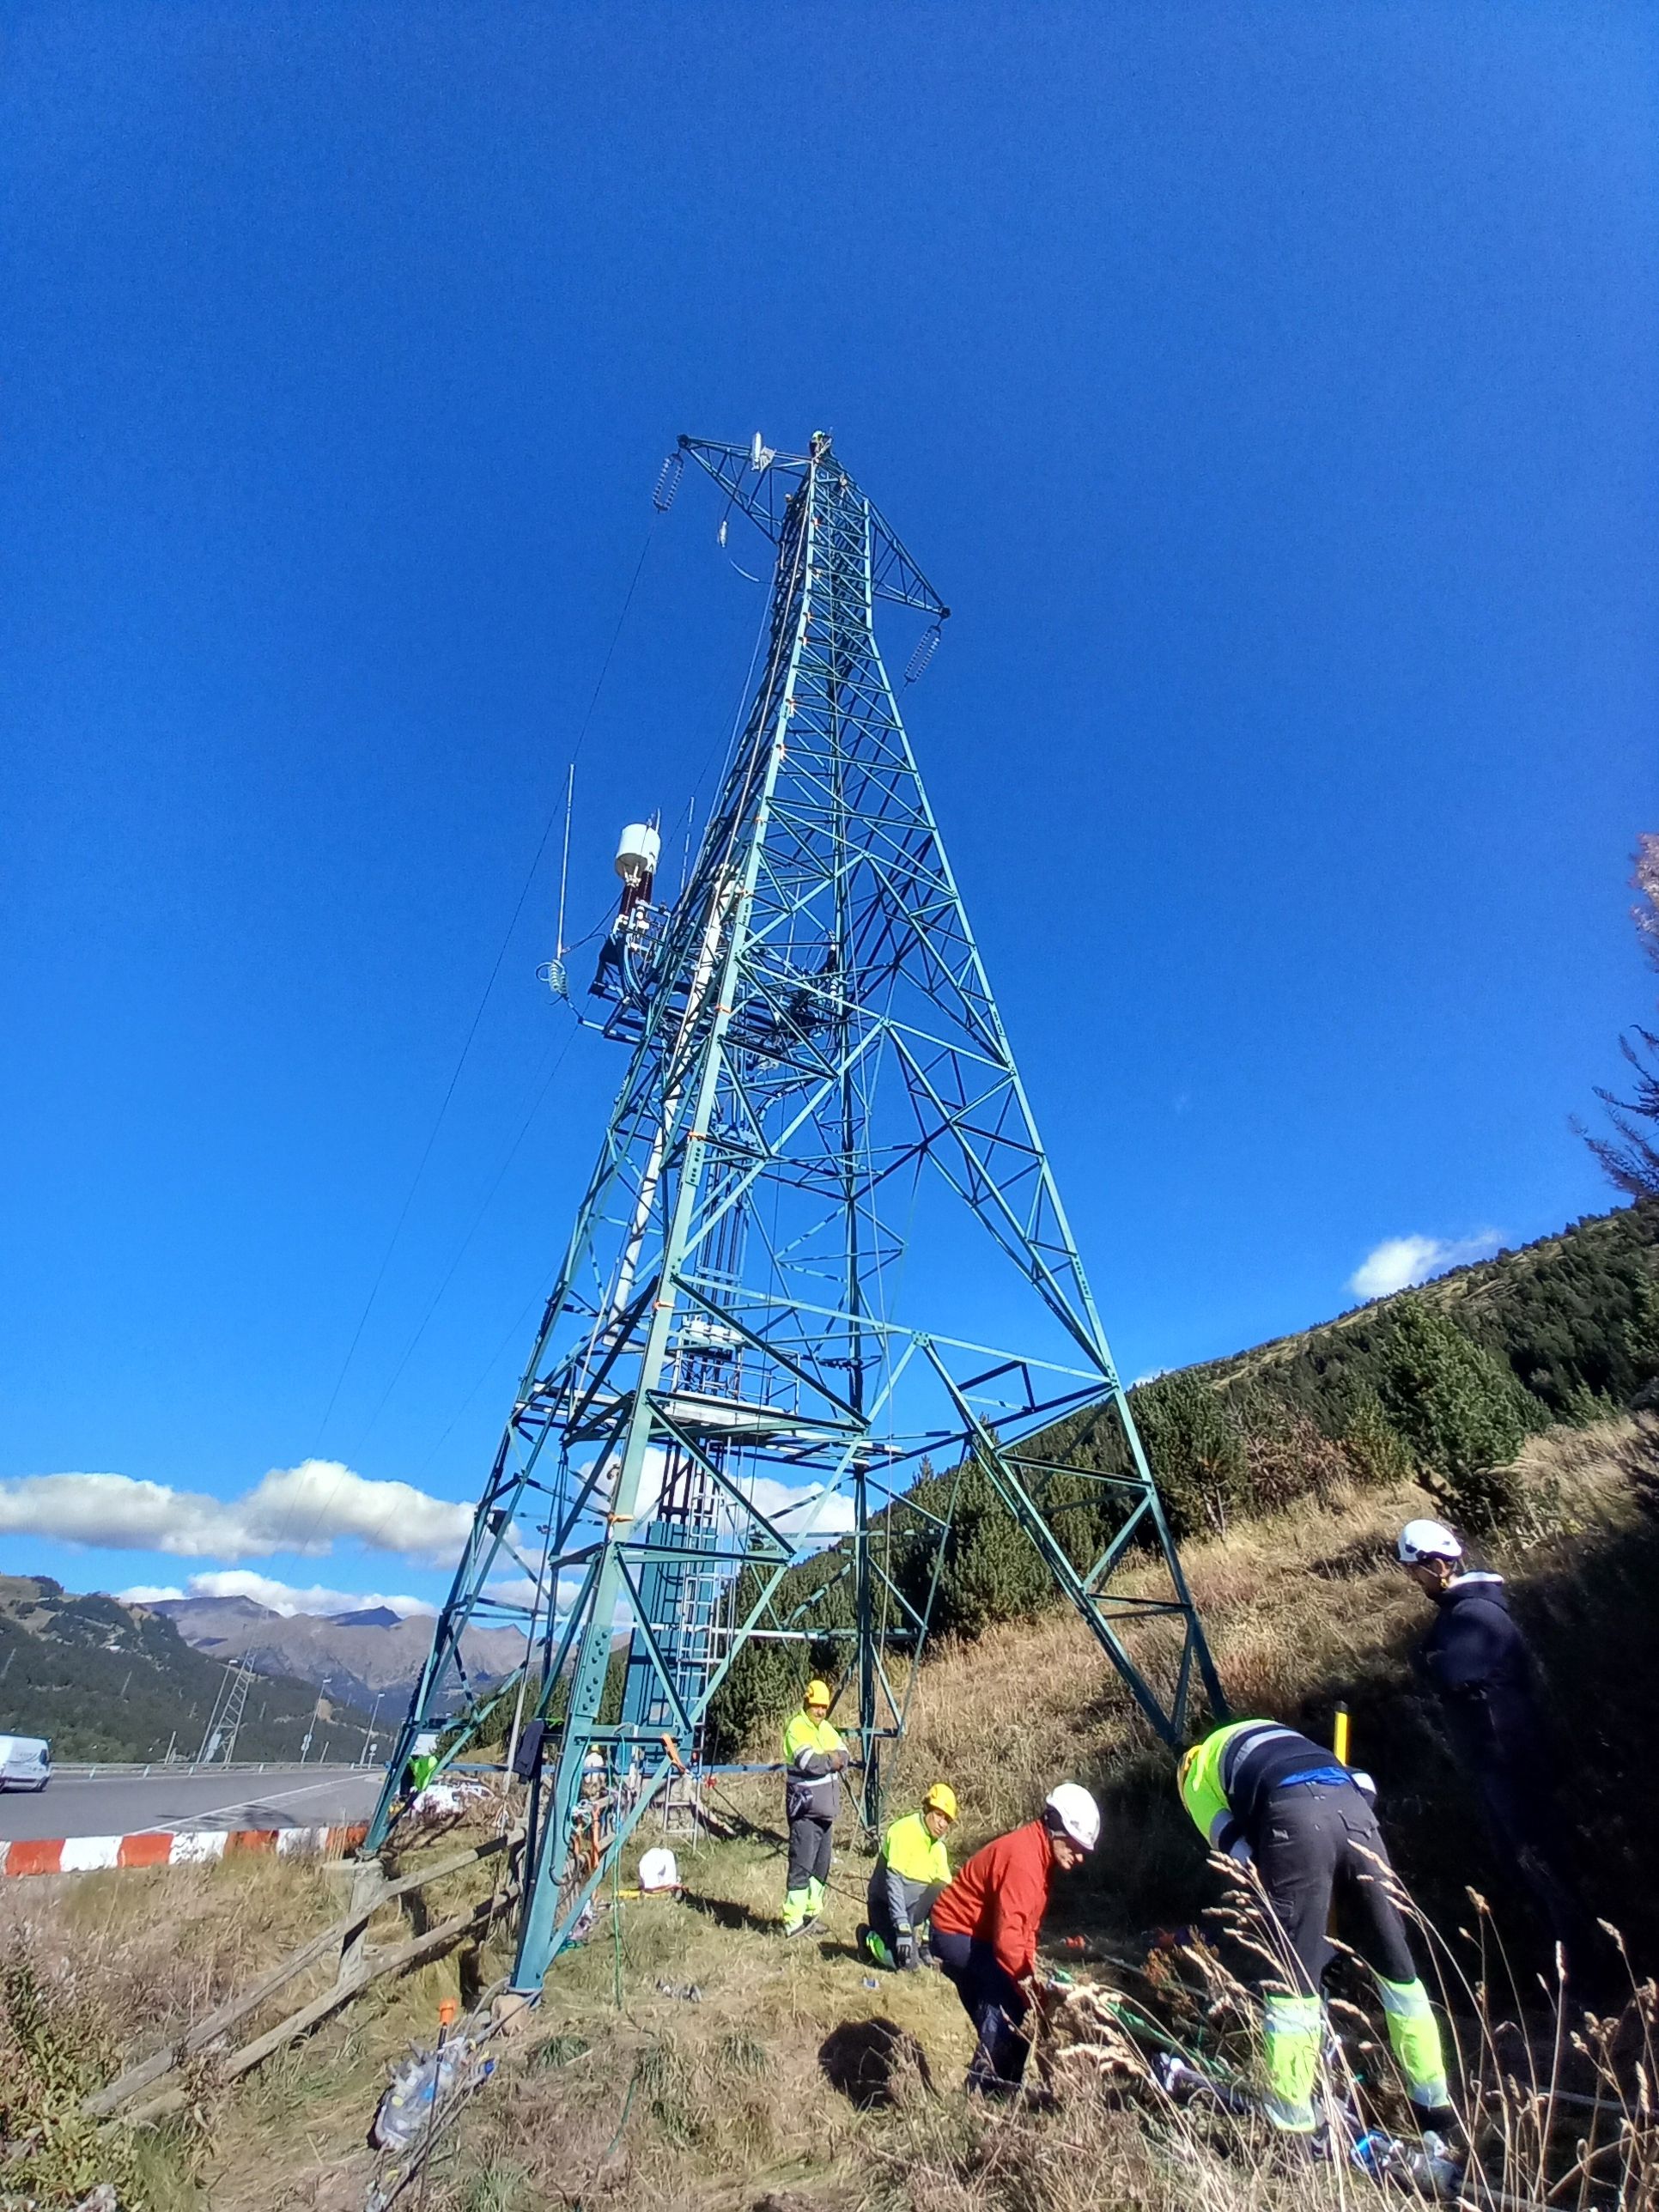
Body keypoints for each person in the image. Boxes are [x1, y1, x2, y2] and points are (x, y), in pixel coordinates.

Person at [1178, 1718, 1453, 2138]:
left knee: (1293, 1980)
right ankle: (1433, 2104)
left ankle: (1293, 2122)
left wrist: (1296, 1926)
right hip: (1354, 1808)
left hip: (1294, 1820)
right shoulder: (1268, 1734)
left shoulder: (1196, 1778)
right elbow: (1363, 1783)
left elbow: (1242, 1855)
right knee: (1397, 1967)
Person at [1398, 1517, 1596, 1973]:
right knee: (1522, 1863)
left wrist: (1429, 1659)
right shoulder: (1460, 1613)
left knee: (1538, 1860)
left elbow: (1443, 1670)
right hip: (1494, 1759)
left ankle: (1586, 1971)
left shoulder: (1474, 1615)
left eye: (1416, 1569)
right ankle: (1568, 1962)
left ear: (1436, 1564)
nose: (1414, 1579)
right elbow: (1431, 1661)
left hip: (1508, 1758)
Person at [928, 1782, 1100, 2094]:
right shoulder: (1025, 1860)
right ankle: (981, 2091)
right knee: (1007, 2000)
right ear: (1057, 1827)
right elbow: (1007, 1940)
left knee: (1013, 2009)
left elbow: (1027, 1931)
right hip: (954, 1931)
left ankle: (1005, 2090)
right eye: (1076, 1846)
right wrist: (1030, 1988)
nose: (1080, 1857)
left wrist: (1030, 1979)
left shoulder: (1041, 1857)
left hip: (977, 1935)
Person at [860, 1783, 957, 1970]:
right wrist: (903, 1929)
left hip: (912, 1911)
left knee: (944, 1887)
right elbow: (893, 1884)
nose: (942, 1823)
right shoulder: (904, 1831)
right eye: (938, 1814)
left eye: (947, 1820)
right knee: (903, 1964)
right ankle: (868, 1937)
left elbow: (945, 1897)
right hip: (885, 1906)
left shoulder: (939, 1848)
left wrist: (929, 1941)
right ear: (927, 1808)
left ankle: (923, 1947)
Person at [781, 1678, 848, 1936]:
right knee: (802, 1865)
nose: (820, 1711)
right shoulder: (797, 1728)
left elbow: (845, 1754)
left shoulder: (826, 1728)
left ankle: (811, 1915)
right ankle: (793, 1922)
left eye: (824, 1707)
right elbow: (811, 1762)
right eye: (816, 1706)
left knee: (820, 1868)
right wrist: (833, 1759)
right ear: (806, 1703)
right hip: (806, 1812)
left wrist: (833, 1758)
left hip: (826, 1813)